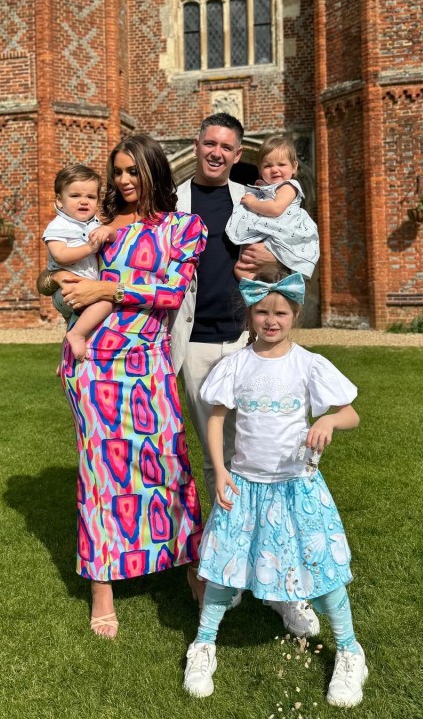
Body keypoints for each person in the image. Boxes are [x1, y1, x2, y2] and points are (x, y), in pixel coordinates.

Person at [40, 134, 208, 639]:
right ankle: (102, 587)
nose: (124, 181)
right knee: (100, 476)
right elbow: (55, 274)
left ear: (156, 170)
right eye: (118, 172)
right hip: (95, 364)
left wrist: (107, 288)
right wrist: (57, 284)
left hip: (149, 362)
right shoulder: (103, 227)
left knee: (169, 466)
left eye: (133, 171)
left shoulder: (186, 228)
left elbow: (172, 291)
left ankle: (193, 573)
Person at [182, 267, 367, 708]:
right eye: (262, 311)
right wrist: (221, 470)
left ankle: (350, 651)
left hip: (296, 487)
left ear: (294, 315)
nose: (271, 320)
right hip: (245, 485)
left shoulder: (308, 365)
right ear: (249, 315)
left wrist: (327, 419)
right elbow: (217, 418)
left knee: (319, 567)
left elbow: (352, 414)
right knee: (225, 566)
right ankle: (204, 644)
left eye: (280, 312)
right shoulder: (236, 365)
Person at [172, 113, 319, 638]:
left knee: (272, 457)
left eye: (227, 146)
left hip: (247, 342)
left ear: (238, 155)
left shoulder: (254, 199)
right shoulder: (173, 202)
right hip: (192, 345)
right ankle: (232, 571)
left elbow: (298, 260)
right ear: (197, 146)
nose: (216, 152)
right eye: (209, 143)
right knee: (220, 464)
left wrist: (265, 264)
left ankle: (284, 585)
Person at [41, 163, 112, 361]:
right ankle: (76, 336)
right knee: (106, 301)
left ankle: (66, 359)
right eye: (75, 196)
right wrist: (89, 248)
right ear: (59, 200)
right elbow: (60, 255)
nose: (84, 201)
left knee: (75, 321)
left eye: (90, 197)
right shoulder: (59, 225)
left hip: (81, 287)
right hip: (66, 289)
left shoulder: (94, 224)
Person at [226, 133, 320, 280]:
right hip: (268, 234)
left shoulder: (288, 186)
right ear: (260, 169)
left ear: (294, 167)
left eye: (281, 164)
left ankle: (280, 288)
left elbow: (276, 208)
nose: (274, 169)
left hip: (283, 234)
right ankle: (259, 294)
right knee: (240, 269)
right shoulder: (266, 188)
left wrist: (253, 203)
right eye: (268, 166)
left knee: (269, 270)